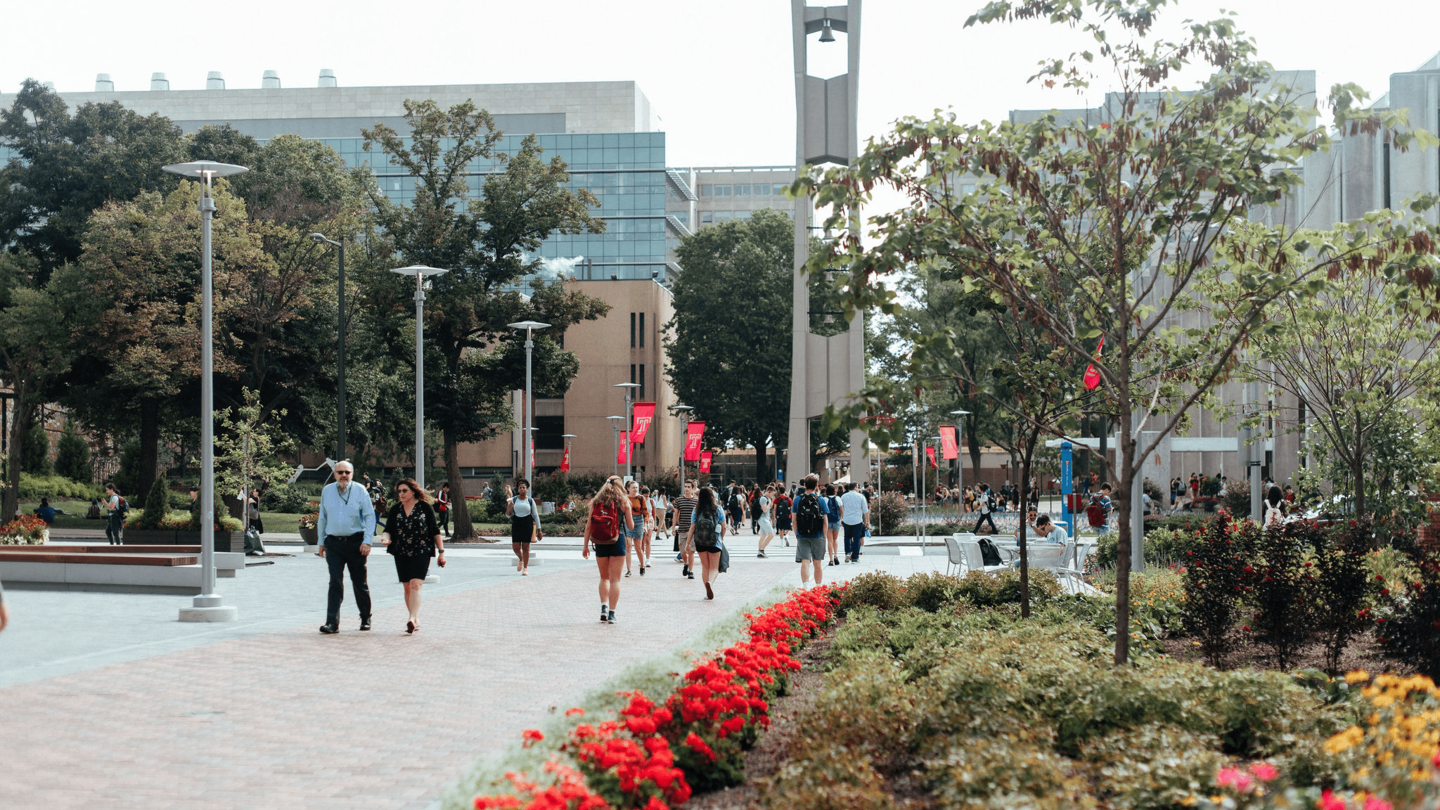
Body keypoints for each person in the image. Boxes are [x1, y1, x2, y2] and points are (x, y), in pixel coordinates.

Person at [316, 461, 378, 634]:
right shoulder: (327, 491)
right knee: (334, 581)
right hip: (333, 543)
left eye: (347, 472)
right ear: (334, 474)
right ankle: (332, 622)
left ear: (352, 473)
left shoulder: (360, 490)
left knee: (359, 582)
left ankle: (365, 617)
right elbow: (323, 518)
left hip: (356, 543)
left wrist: (367, 541)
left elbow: (369, 516)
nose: (343, 475)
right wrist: (321, 542)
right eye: (340, 472)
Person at [379, 478, 444, 633]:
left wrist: (441, 552)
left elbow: (435, 531)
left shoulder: (424, 508)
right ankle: (414, 617)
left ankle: (411, 618)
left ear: (413, 491)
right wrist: (385, 538)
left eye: (404, 491)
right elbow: (388, 529)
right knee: (407, 586)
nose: (401, 494)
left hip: (421, 551)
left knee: (416, 584)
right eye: (399, 491)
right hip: (401, 552)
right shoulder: (395, 509)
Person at [582, 476, 634, 624]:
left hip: (600, 541)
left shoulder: (596, 502)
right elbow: (630, 526)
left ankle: (603, 607)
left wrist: (585, 546)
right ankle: (612, 614)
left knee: (604, 577)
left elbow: (588, 526)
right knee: (615, 579)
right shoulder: (624, 502)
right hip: (618, 540)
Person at [686, 486, 726, 600]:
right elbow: (724, 526)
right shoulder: (718, 509)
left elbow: (692, 528)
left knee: (705, 566)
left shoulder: (696, 510)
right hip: (715, 541)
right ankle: (710, 583)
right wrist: (721, 538)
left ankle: (706, 590)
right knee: (714, 568)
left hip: (700, 541)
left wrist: (688, 543)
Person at [793, 474, 827, 588]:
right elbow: (825, 520)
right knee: (817, 563)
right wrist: (824, 536)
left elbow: (794, 519)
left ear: (805, 485)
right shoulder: (820, 500)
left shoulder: (798, 499)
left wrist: (797, 533)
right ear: (817, 486)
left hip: (802, 534)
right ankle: (818, 587)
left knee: (805, 562)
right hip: (818, 535)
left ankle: (806, 587)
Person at [506, 478, 542, 576]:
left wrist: (539, 530)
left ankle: (525, 568)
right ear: (518, 490)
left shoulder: (530, 501)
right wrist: (509, 508)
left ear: (526, 489)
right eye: (520, 488)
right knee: (515, 547)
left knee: (526, 547)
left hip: (527, 523)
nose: (522, 489)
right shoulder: (513, 500)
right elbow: (508, 515)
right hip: (517, 522)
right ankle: (521, 559)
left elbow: (535, 515)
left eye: (524, 488)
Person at [673, 480, 698, 578]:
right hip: (682, 528)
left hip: (692, 529)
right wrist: (673, 527)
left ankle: (691, 571)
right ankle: (686, 563)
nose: (687, 488)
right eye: (685, 486)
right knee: (683, 552)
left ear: (692, 488)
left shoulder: (696, 501)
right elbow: (675, 514)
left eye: (689, 487)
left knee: (691, 551)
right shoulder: (679, 500)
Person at [839, 481, 869, 563]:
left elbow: (841, 509)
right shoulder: (861, 496)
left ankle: (848, 552)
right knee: (857, 538)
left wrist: (841, 519)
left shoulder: (843, 496)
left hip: (847, 520)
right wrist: (867, 522)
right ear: (855, 487)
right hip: (857, 520)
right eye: (857, 487)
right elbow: (865, 511)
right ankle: (855, 557)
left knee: (847, 537)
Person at [625, 481, 648, 577]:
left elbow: (645, 512)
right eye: (633, 487)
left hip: (639, 521)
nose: (635, 489)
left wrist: (645, 525)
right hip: (628, 521)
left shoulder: (641, 498)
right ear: (628, 488)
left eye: (636, 487)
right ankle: (629, 570)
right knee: (628, 546)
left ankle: (642, 565)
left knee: (638, 547)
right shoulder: (625, 498)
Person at [823, 484, 842, 566]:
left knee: (829, 540)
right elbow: (842, 510)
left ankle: (830, 560)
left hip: (828, 521)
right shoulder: (838, 498)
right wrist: (840, 519)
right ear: (835, 491)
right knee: (835, 539)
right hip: (836, 521)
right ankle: (835, 556)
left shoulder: (824, 499)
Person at [755, 484, 776, 558]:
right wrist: (769, 503)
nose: (772, 495)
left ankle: (760, 551)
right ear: (769, 492)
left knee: (763, 535)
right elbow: (764, 509)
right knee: (771, 534)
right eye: (772, 494)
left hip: (765, 518)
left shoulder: (767, 498)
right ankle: (762, 550)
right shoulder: (763, 499)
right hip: (762, 518)